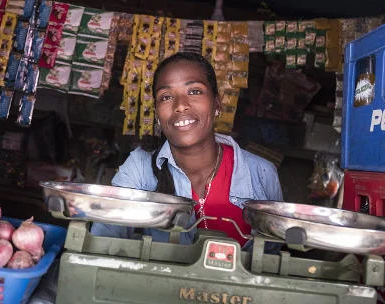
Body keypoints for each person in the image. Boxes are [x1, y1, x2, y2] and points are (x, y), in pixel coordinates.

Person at [91, 52, 283, 250]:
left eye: (194, 91)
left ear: (216, 103)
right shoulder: (140, 167)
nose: (180, 105)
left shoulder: (262, 173)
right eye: (166, 97)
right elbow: (103, 241)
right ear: (157, 113)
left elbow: (270, 259)